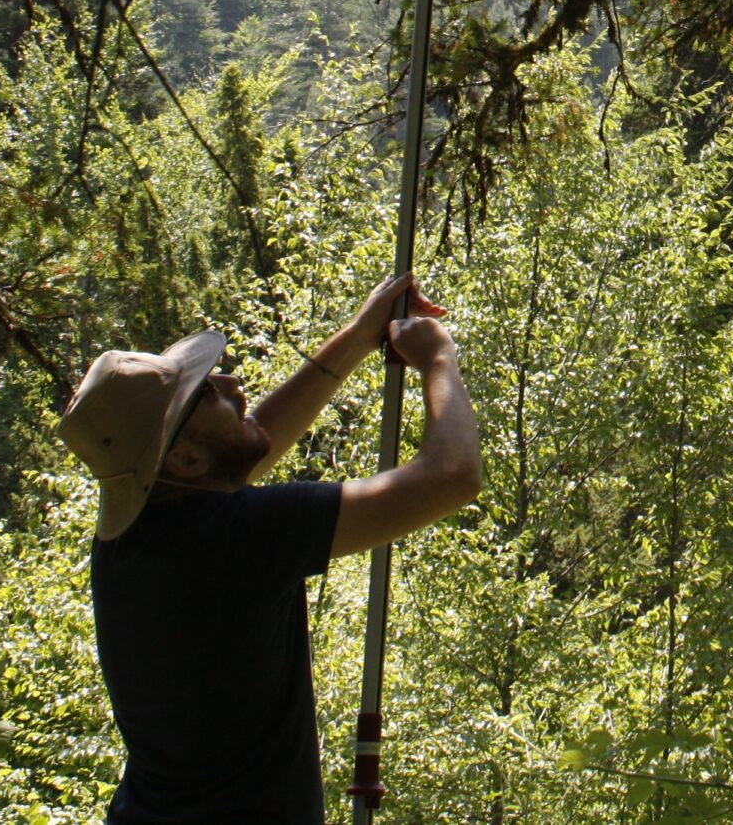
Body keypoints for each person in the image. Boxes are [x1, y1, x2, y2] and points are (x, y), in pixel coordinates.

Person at [58, 274, 480, 825]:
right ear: (184, 460)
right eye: (206, 393)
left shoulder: (130, 539)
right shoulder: (241, 537)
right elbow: (452, 475)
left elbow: (243, 448)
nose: (232, 384)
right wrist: (438, 359)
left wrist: (360, 333)